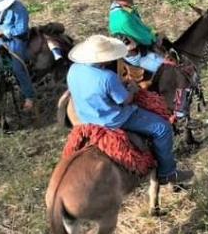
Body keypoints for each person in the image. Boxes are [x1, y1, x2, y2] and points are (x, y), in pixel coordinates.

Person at [67, 34, 190, 188]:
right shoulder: (107, 77)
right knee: (162, 128)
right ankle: (168, 172)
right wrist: (132, 88)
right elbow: (126, 100)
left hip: (86, 119)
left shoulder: (74, 69)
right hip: (113, 120)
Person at [108, 0, 165, 75]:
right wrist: (155, 38)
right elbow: (145, 39)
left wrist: (154, 32)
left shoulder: (119, 6)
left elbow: (141, 25)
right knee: (169, 68)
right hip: (136, 54)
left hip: (133, 40)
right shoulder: (124, 19)